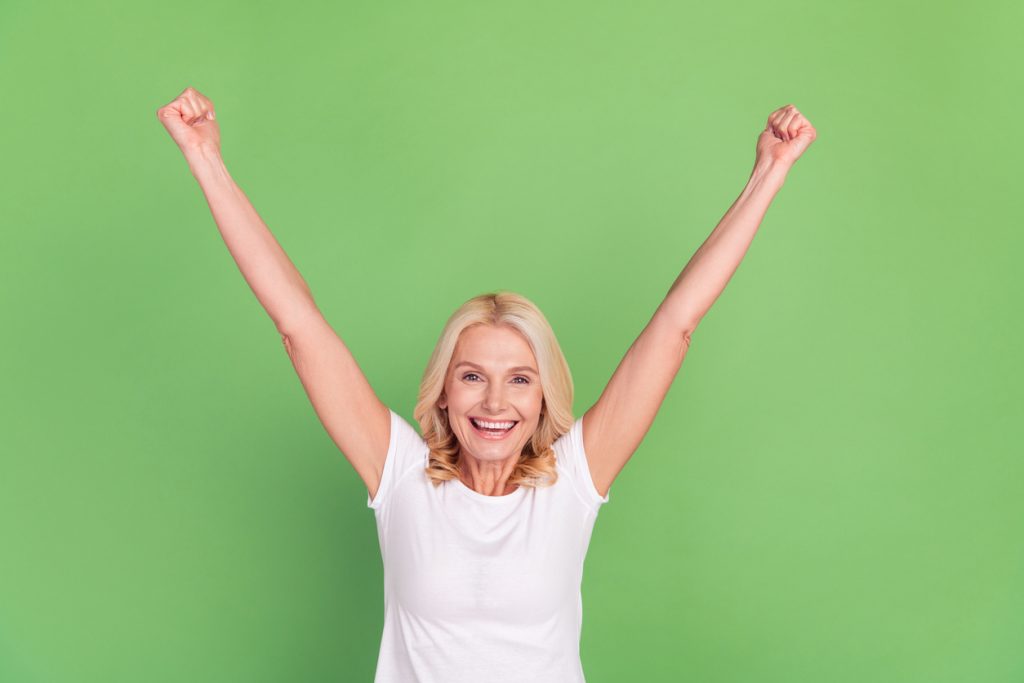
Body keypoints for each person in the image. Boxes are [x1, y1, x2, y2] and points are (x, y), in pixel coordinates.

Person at [156, 88, 816, 682]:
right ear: (443, 390)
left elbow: (676, 324)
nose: (496, 402)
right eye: (472, 376)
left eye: (519, 380)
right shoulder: (400, 474)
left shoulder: (574, 479)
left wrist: (769, 172)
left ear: (542, 398)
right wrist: (206, 160)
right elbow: (298, 325)